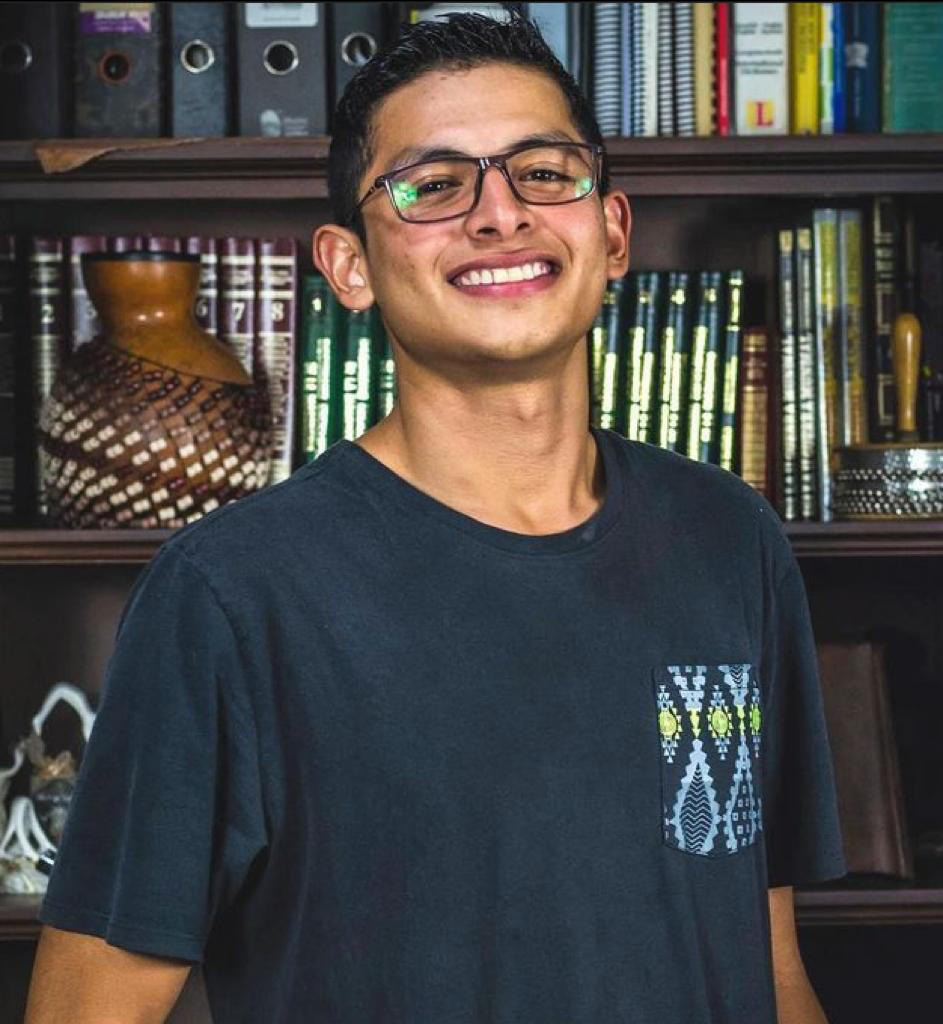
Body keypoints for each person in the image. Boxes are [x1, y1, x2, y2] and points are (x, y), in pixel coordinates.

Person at [26, 11, 845, 1024]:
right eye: (433, 185)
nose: (500, 214)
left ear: (611, 234)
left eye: (542, 173)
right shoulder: (230, 593)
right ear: (350, 267)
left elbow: (769, 970)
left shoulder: (728, 537)